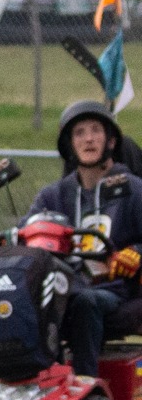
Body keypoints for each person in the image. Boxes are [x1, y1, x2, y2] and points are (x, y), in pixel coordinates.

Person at [27, 101, 142, 379]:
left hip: (116, 291)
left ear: (111, 140)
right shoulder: (53, 196)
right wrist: (3, 244)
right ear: (69, 144)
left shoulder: (133, 189)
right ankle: (34, 379)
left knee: (84, 301)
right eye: (79, 132)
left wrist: (138, 252)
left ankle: (85, 386)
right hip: (64, 285)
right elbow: (28, 235)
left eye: (95, 131)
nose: (88, 138)